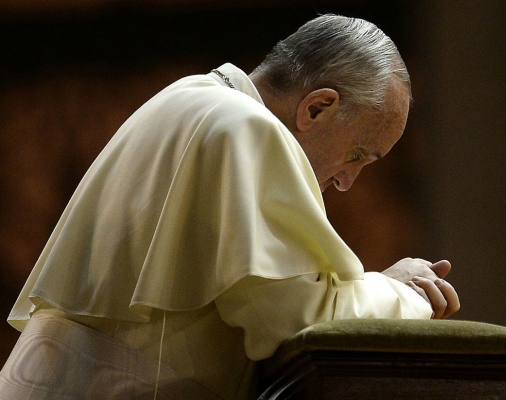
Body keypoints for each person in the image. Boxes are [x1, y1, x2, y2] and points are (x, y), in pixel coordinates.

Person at [0, 14, 459, 400]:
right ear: (317, 107)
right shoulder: (247, 129)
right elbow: (300, 320)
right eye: (358, 154)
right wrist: (404, 293)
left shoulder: (190, 99)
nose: (345, 181)